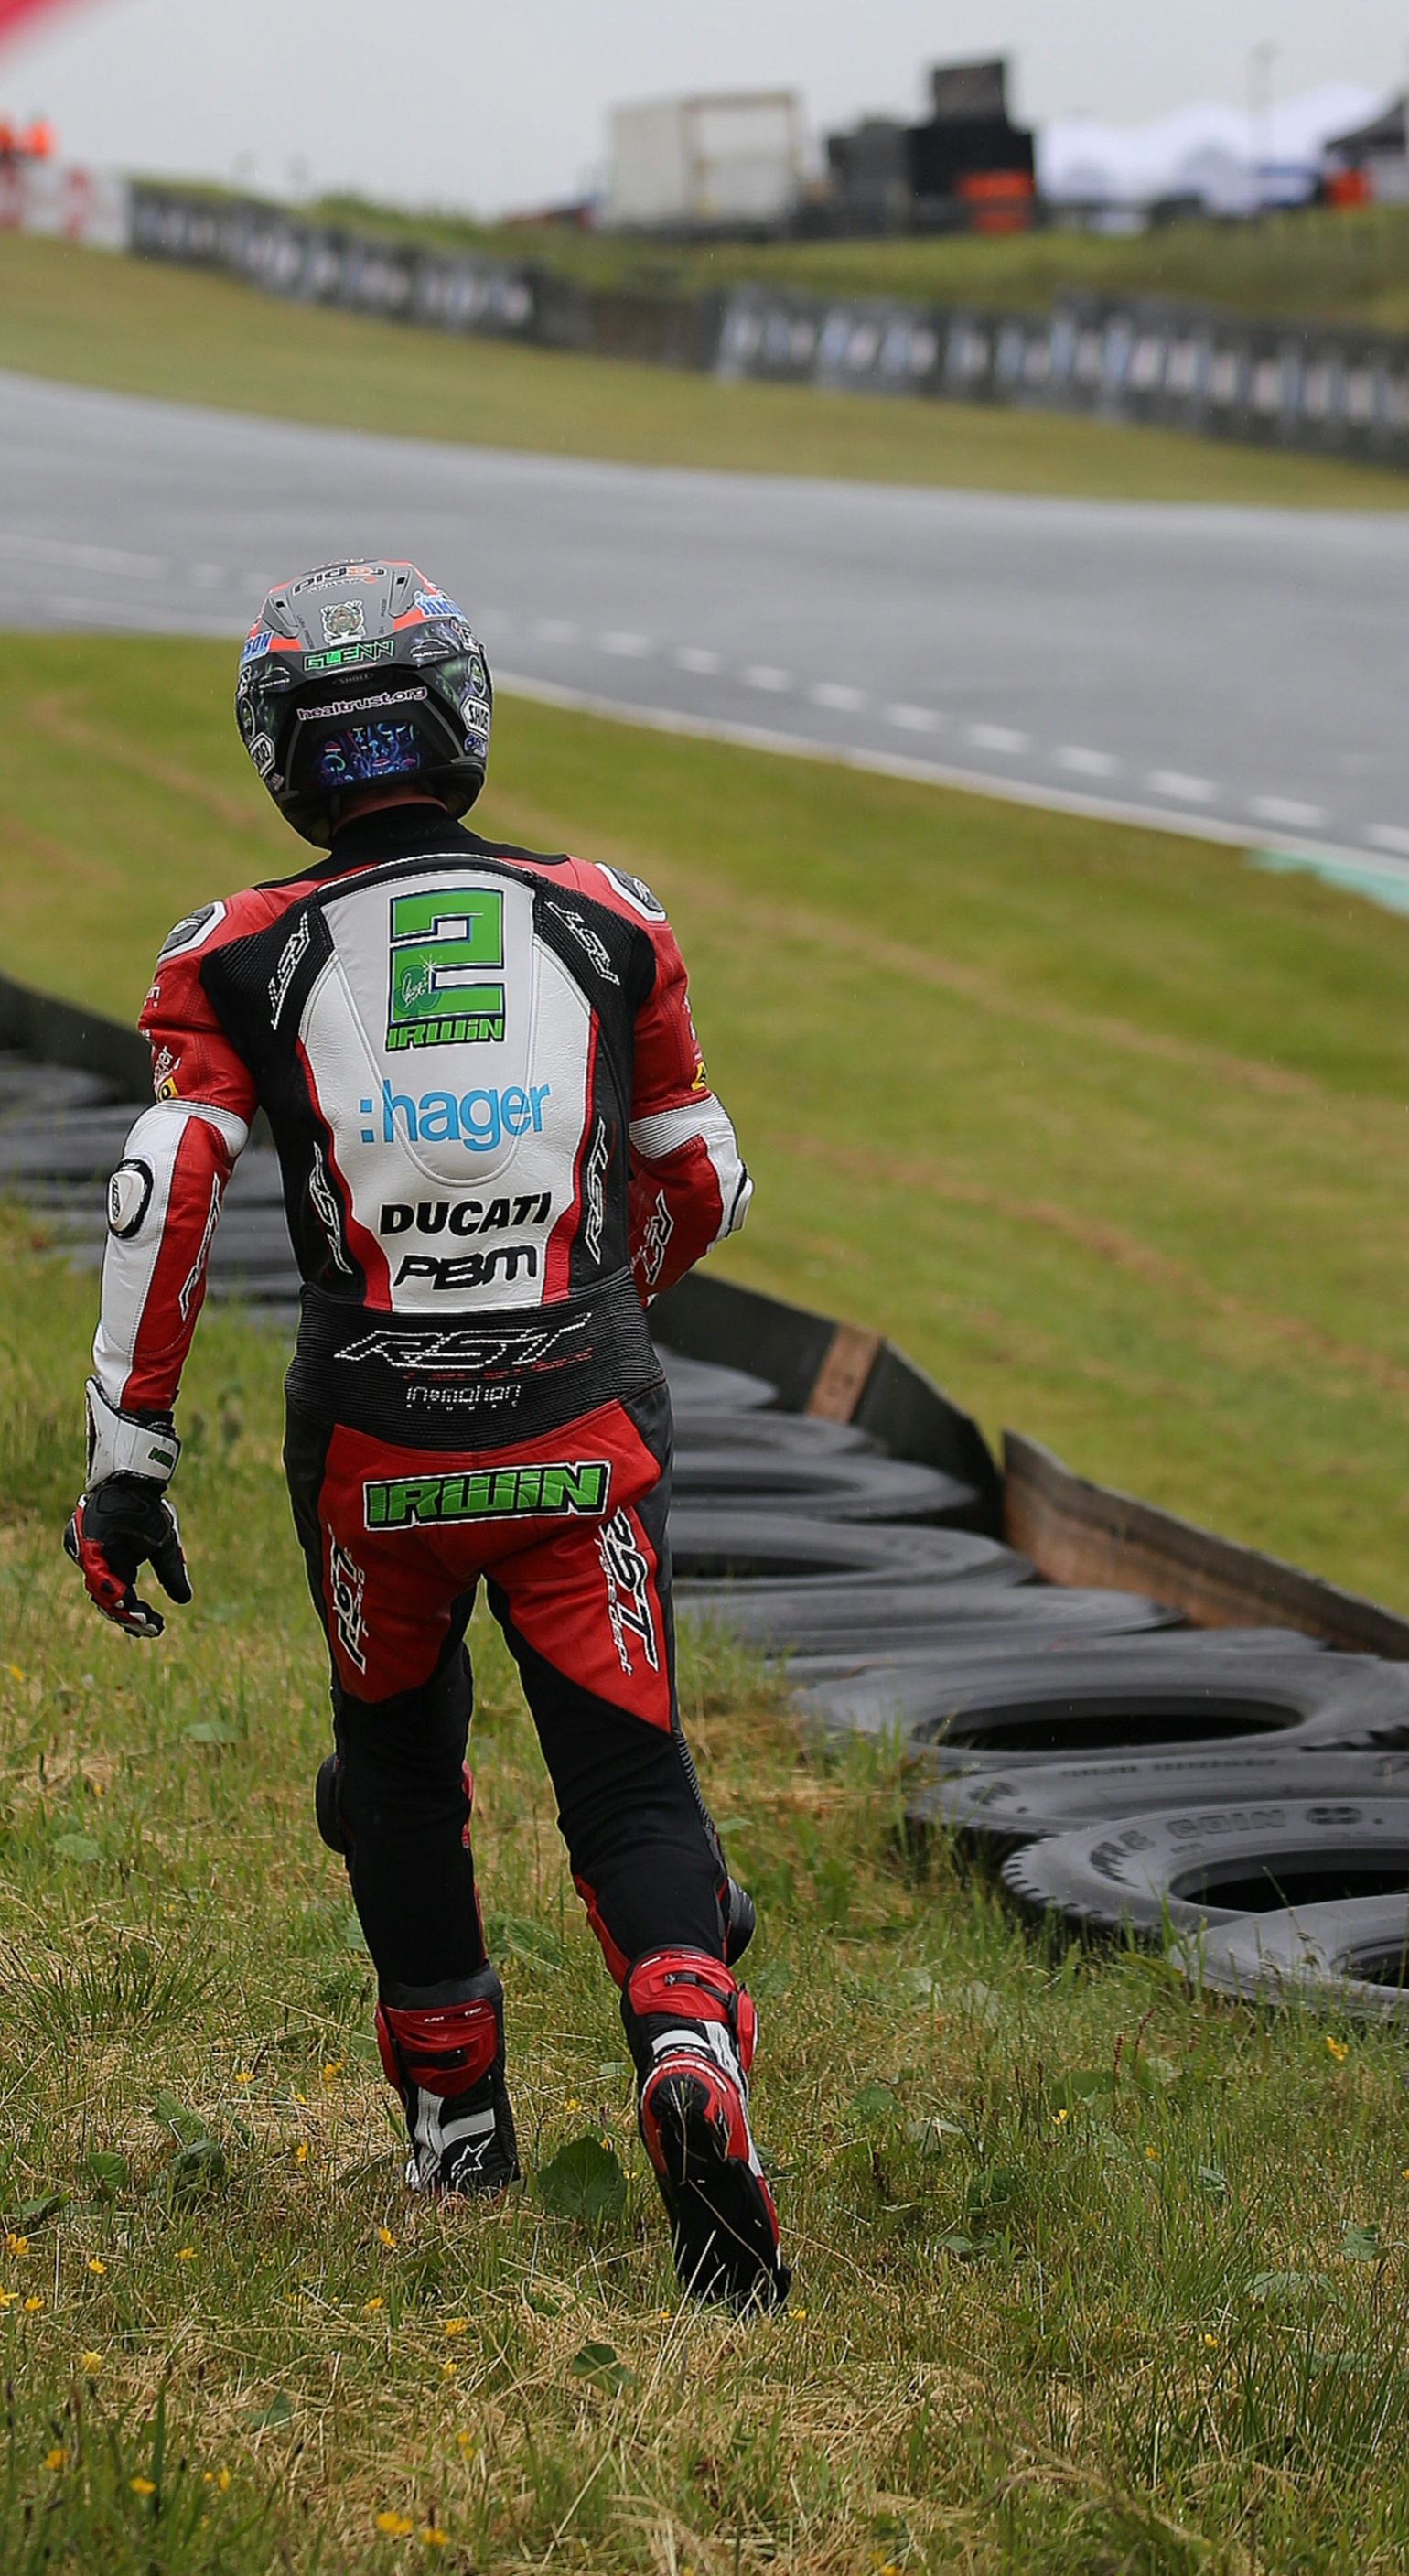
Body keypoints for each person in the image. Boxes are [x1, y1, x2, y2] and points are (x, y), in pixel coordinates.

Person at [62, 561, 788, 2311]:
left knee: (390, 1773)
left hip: (370, 1447)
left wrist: (125, 1455)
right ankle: (687, 2044)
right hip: (580, 1416)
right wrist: (605, 1301)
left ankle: (457, 2130)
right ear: (461, 714)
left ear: (282, 757)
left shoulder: (227, 951)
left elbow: (164, 1185)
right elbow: (703, 1176)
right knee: (629, 1776)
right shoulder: (610, 915)